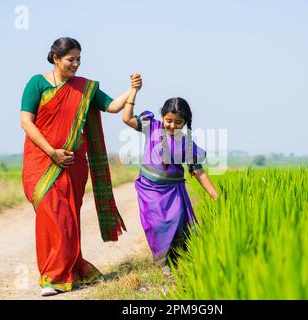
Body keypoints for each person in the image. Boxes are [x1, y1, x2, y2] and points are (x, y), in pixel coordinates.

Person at [20, 37, 142, 296]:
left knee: (68, 219)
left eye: (78, 59)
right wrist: (52, 152)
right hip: (41, 162)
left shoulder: (84, 87)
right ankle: (53, 276)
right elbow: (26, 122)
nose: (76, 64)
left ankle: (64, 272)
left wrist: (132, 90)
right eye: (70, 59)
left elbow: (111, 106)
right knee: (51, 217)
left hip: (73, 164)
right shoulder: (37, 84)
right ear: (55, 58)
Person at [122, 90, 218, 275]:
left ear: (185, 123)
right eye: (169, 120)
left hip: (173, 190)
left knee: (177, 223)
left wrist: (215, 195)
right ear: (162, 117)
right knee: (156, 224)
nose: (172, 125)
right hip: (149, 189)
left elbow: (198, 171)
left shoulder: (187, 143)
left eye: (178, 122)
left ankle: (178, 260)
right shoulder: (152, 126)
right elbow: (126, 118)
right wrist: (133, 91)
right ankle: (162, 262)